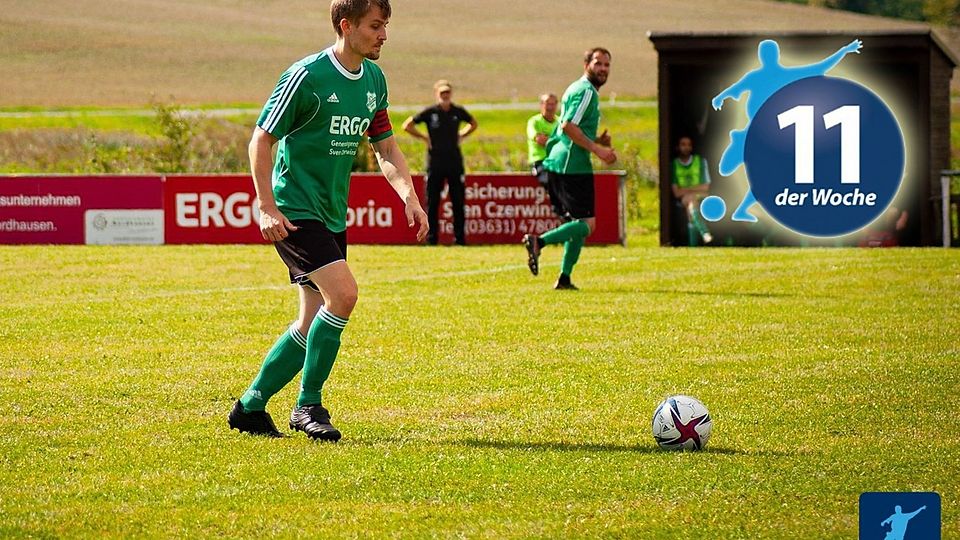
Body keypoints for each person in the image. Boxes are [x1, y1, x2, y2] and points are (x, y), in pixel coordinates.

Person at [228, 0, 428, 441]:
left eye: (385, 26)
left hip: (332, 213)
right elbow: (261, 139)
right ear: (346, 25)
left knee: (311, 320)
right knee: (344, 295)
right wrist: (266, 206)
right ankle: (308, 405)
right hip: (295, 209)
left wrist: (410, 197)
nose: (383, 35)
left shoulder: (374, 79)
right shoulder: (307, 76)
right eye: (375, 25)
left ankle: (250, 406)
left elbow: (386, 147)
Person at [712, 38, 862, 222]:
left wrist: (844, 51)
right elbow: (734, 89)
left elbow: (820, 67)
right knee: (726, 169)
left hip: (772, 135)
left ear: (776, 55)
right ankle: (739, 150)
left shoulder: (787, 75)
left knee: (769, 178)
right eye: (764, 54)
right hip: (752, 131)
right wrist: (720, 97)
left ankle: (742, 209)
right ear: (760, 56)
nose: (767, 57)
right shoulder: (754, 77)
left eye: (770, 54)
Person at [522, 47, 616, 290]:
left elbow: (570, 126)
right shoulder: (587, 91)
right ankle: (539, 242)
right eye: (598, 63)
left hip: (560, 161)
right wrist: (598, 150)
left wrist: (597, 139)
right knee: (588, 225)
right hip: (571, 165)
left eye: (606, 65)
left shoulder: (578, 88)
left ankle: (564, 278)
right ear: (586, 65)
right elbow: (567, 126)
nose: (603, 69)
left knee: (578, 223)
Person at [402, 80, 478, 245]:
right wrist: (424, 138)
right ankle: (432, 239)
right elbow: (407, 125)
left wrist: (462, 135)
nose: (445, 95)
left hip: (454, 161)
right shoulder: (430, 112)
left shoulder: (457, 111)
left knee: (458, 200)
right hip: (435, 161)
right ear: (437, 94)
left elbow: (473, 123)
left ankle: (460, 239)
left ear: (451, 93)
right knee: (433, 201)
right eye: (442, 93)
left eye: (447, 92)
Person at [671, 136, 713, 245]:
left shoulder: (700, 162)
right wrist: (695, 188)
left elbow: (706, 187)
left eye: (689, 145)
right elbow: (676, 193)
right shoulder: (674, 165)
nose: (686, 148)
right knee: (691, 204)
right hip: (685, 198)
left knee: (690, 202)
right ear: (678, 147)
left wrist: (686, 189)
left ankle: (695, 242)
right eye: (683, 145)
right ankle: (704, 232)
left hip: (701, 196)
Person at [527, 93, 563, 217]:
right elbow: (540, 140)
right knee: (550, 180)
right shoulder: (534, 122)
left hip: (558, 161)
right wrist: (557, 141)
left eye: (553, 104)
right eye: (548, 104)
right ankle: (559, 210)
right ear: (541, 105)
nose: (550, 107)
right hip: (541, 161)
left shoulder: (560, 122)